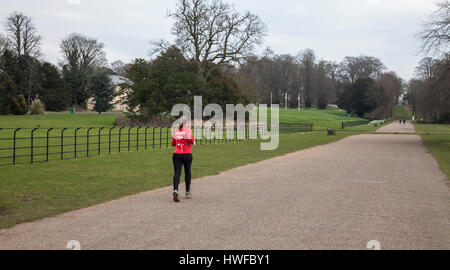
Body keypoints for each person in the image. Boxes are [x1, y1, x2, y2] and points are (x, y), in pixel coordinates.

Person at [171, 116, 195, 202]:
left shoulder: (176, 131)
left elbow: (173, 143)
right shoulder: (188, 130)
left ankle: (175, 189)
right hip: (187, 154)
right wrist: (194, 142)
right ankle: (187, 192)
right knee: (187, 172)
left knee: (177, 173)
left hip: (176, 154)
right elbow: (191, 141)